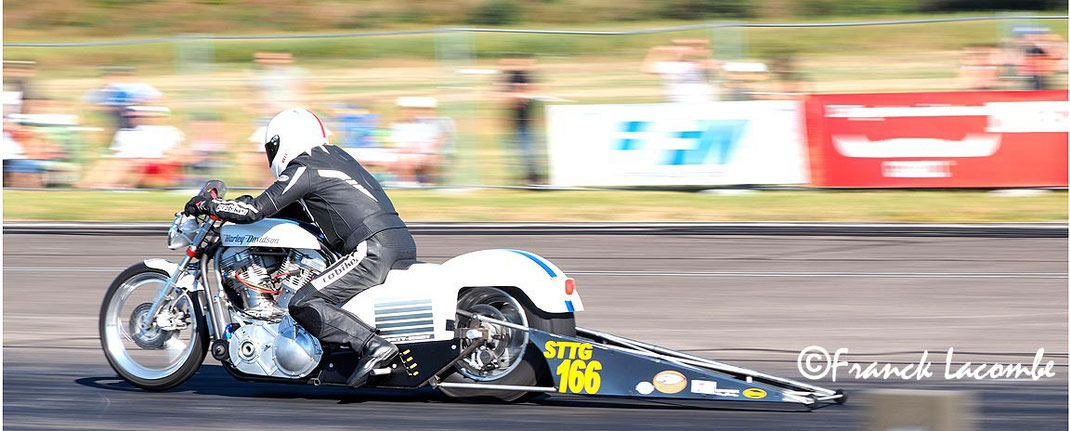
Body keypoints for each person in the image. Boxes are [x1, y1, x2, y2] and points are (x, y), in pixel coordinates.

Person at [183, 108, 416, 389]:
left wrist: (208, 205)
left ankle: (372, 345)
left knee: (304, 302)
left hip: (371, 248)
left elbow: (256, 210)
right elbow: (292, 209)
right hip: (396, 241)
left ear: (283, 141)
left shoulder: (306, 165)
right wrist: (238, 205)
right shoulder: (334, 157)